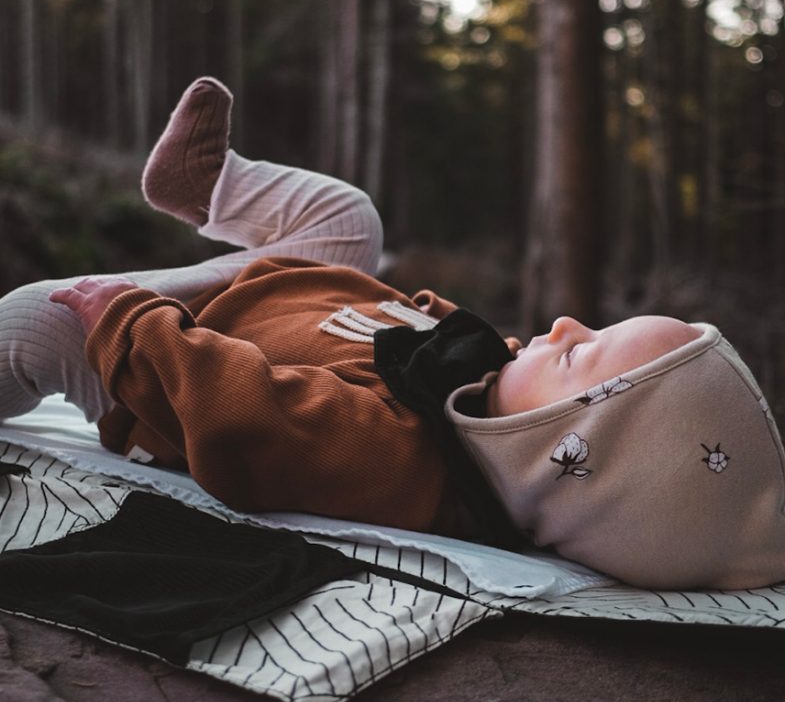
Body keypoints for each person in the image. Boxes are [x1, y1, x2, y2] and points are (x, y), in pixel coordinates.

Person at [1, 78, 784, 591]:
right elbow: (401, 317)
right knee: (351, 220)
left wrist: (130, 324)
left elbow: (245, 416)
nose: (562, 322)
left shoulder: (402, 462)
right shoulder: (487, 384)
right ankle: (204, 187)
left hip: (162, 359)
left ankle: (101, 317)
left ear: (552, 450)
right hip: (280, 289)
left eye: (579, 350)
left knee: (39, 320)